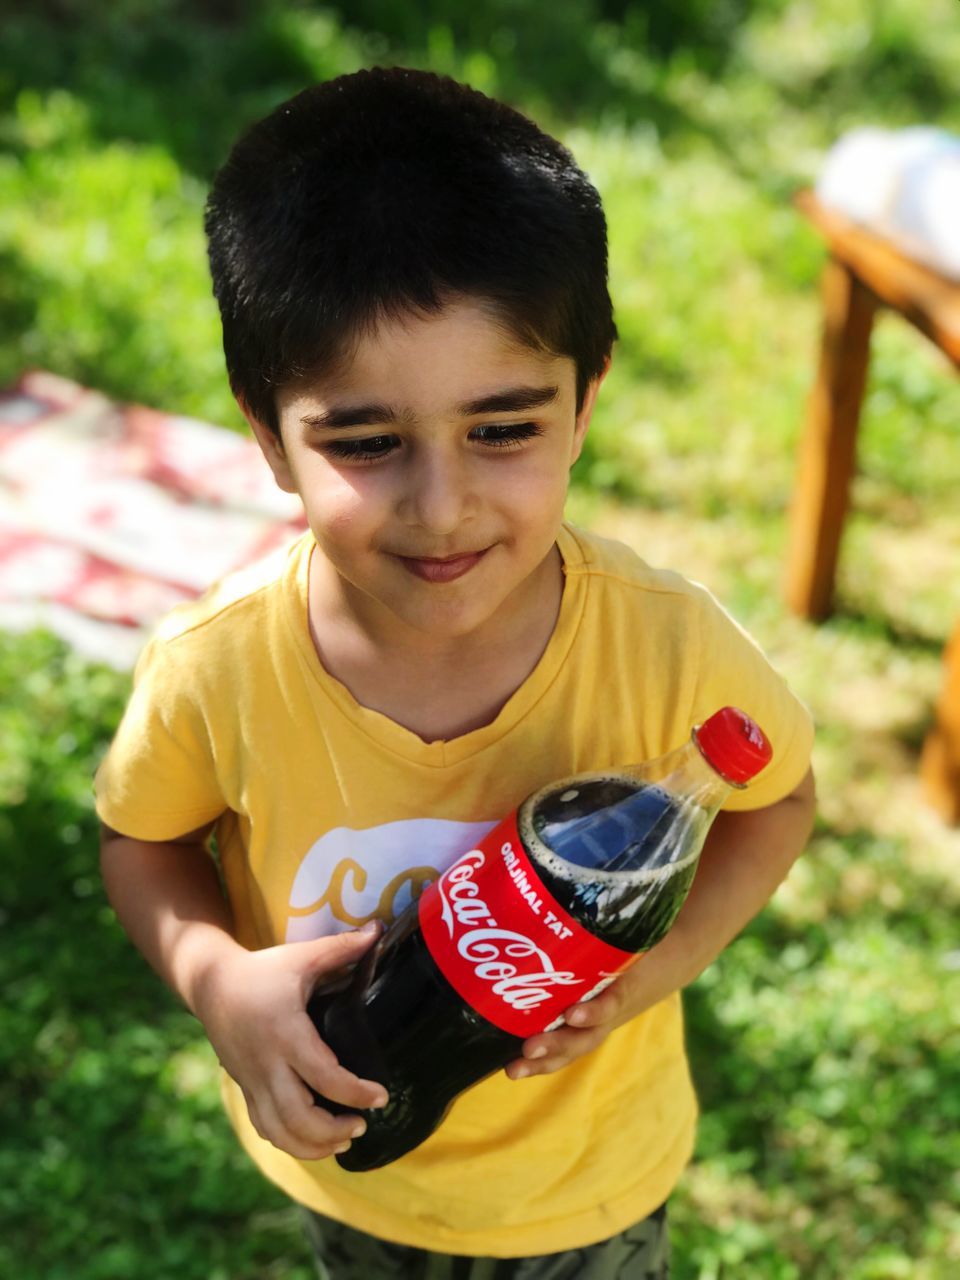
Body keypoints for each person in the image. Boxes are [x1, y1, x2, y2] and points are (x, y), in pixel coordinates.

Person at [95, 67, 816, 1279]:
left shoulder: (667, 646)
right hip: (344, 1157)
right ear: (270, 435)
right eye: (367, 442)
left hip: (587, 1188)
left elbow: (776, 801)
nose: (443, 507)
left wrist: (656, 974)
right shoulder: (216, 669)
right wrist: (214, 977)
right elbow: (142, 840)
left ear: (586, 401)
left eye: (505, 427)